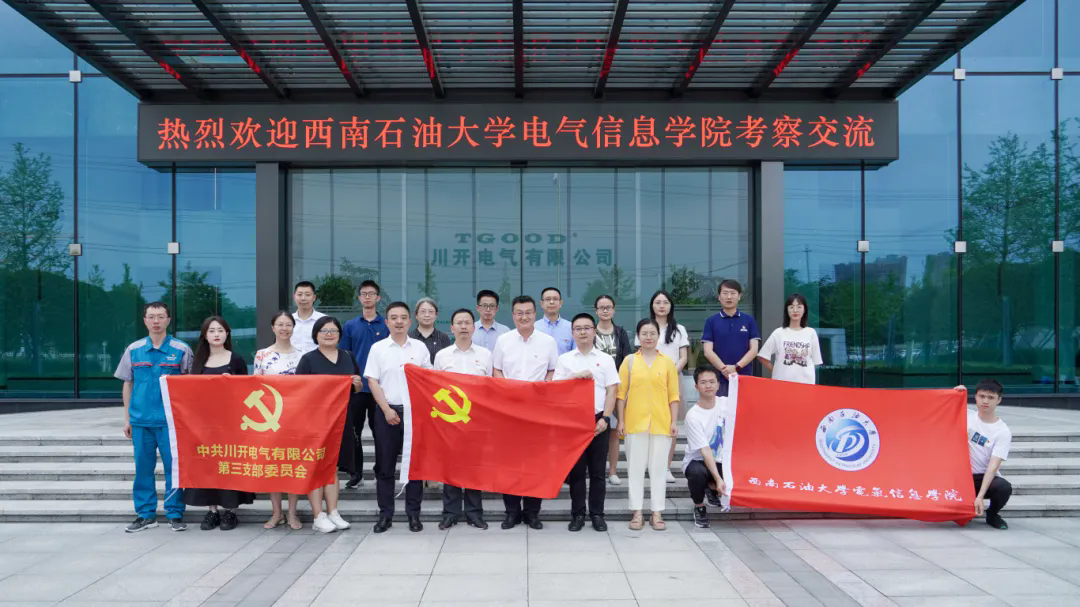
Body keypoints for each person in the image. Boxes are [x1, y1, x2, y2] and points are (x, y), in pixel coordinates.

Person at [114, 302, 192, 533]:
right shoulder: (134, 349)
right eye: (151, 316)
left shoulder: (181, 349)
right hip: (141, 421)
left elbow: (190, 385)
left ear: (169, 320)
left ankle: (174, 514)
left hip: (171, 422)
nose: (156, 321)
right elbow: (128, 384)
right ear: (145, 320)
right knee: (143, 469)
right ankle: (146, 514)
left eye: (160, 316)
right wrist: (127, 418)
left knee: (173, 469)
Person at [365, 301, 433, 533]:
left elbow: (428, 379)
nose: (399, 322)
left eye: (403, 317)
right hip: (387, 412)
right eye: (394, 318)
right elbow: (372, 381)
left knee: (414, 466)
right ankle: (386, 515)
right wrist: (386, 409)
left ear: (410, 321)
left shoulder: (420, 348)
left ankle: (413, 514)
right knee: (385, 466)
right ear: (386, 322)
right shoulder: (378, 348)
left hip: (415, 413)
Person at [492, 295, 558, 529]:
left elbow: (552, 371)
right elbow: (496, 370)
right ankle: (512, 512)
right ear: (513, 316)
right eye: (519, 313)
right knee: (508, 463)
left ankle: (532, 513)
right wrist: (509, 391)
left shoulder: (548, 342)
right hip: (509, 412)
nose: (524, 317)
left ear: (534, 314)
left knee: (535, 464)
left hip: (537, 412)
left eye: (528, 312)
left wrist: (541, 390)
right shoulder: (503, 341)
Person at [184, 316, 255, 530]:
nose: (216, 334)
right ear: (205, 335)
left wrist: (232, 384)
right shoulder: (198, 361)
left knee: (229, 465)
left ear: (227, 334)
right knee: (209, 466)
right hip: (204, 425)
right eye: (212, 331)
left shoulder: (236, 359)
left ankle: (230, 511)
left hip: (231, 423)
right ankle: (212, 511)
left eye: (220, 330)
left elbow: (248, 393)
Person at [296, 316, 362, 534]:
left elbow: (356, 388)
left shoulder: (348, 356)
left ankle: (333, 511)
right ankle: (318, 515)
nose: (329, 334)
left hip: (341, 421)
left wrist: (357, 384)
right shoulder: (308, 359)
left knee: (332, 467)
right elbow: (299, 391)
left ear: (339, 335)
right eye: (324, 331)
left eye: (333, 330)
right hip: (315, 422)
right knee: (316, 467)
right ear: (316, 334)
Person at [553, 313, 619, 532]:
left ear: (594, 331)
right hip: (573, 423)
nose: (583, 332)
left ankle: (597, 514)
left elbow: (612, 390)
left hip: (599, 419)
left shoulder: (605, 359)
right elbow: (556, 388)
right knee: (577, 472)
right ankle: (578, 514)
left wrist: (606, 418)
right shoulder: (565, 360)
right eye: (578, 328)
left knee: (598, 472)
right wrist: (575, 376)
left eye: (587, 328)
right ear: (572, 333)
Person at [617, 318, 679, 531]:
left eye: (652, 333)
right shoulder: (629, 362)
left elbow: (673, 395)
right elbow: (620, 395)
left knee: (658, 469)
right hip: (635, 422)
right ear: (638, 336)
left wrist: (674, 421)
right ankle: (637, 512)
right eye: (644, 333)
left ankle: (656, 512)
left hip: (661, 423)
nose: (649, 337)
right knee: (635, 469)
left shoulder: (667, 362)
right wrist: (621, 420)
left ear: (658, 336)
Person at [433, 308, 493, 531]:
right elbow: (435, 388)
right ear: (452, 328)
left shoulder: (485, 355)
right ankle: (450, 513)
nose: (464, 326)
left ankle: (474, 513)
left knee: (474, 467)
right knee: (451, 466)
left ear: (474, 327)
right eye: (459, 323)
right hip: (450, 420)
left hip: (477, 420)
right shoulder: (442, 356)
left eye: (467, 322)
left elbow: (491, 388)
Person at [254, 311, 305, 530]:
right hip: (270, 418)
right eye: (280, 324)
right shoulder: (262, 355)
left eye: (288, 325)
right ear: (273, 328)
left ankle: (292, 513)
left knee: (292, 464)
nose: (284, 328)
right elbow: (255, 386)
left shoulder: (303, 355)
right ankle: (276, 513)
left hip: (295, 416)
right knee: (272, 465)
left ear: (293, 328)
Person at [636, 290, 689, 483]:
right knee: (647, 422)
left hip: (673, 378)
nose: (661, 306)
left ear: (671, 306)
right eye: (657, 302)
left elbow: (683, 357)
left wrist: (670, 373)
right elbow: (640, 354)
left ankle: (665, 467)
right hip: (647, 381)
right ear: (652, 305)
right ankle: (648, 465)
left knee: (670, 424)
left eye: (665, 302)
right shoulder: (645, 327)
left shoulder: (679, 329)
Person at [341, 280, 389, 488]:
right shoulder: (350, 326)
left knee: (381, 432)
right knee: (355, 431)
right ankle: (356, 472)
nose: (367, 297)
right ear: (359, 298)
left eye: (371, 293)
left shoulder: (386, 324)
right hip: (358, 388)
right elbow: (345, 356)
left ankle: (381, 470)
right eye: (364, 293)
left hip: (381, 388)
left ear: (378, 298)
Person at [955, 379, 1013, 530]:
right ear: (975, 397)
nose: (985, 401)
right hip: (959, 478)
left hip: (982, 478)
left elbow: (993, 467)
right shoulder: (966, 416)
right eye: (982, 396)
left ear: (999, 400)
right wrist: (954, 393)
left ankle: (992, 514)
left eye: (991, 397)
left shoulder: (1002, 431)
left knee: (1003, 487)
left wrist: (980, 496)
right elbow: (942, 407)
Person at [682, 366, 728, 528]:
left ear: (718, 385)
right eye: (703, 382)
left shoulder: (726, 404)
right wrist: (718, 478)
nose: (708, 385)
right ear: (696, 387)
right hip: (699, 460)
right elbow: (705, 450)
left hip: (723, 459)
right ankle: (699, 506)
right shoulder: (693, 416)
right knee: (697, 473)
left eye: (712, 382)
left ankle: (712, 488)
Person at [595, 295, 633, 487]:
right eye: (601, 307)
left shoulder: (620, 332)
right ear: (596, 311)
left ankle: (612, 471)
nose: (605, 310)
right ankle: (594, 469)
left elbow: (627, 359)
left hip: (616, 387)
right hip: (594, 389)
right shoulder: (590, 331)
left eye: (608, 307)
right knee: (595, 429)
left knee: (614, 431)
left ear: (614, 310)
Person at [702, 279, 760, 397]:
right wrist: (725, 370)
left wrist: (736, 367)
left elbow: (754, 349)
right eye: (725, 293)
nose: (729, 297)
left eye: (733, 293)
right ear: (719, 297)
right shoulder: (711, 321)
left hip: (743, 378)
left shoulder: (749, 320)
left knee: (743, 409)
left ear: (739, 296)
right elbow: (707, 351)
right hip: (718, 380)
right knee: (719, 409)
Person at [757, 293, 823, 384]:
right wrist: (776, 371)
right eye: (791, 307)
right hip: (782, 384)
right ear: (787, 310)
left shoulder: (811, 333)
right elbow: (762, 356)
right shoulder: (779, 333)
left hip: (806, 385)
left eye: (799, 307)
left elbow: (815, 361)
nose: (795, 310)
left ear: (804, 309)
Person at [409, 297, 453, 364]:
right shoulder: (409, 337)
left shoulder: (443, 338)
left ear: (436, 315)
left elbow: (447, 361)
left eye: (431, 312)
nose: (427, 315)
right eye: (423, 311)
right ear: (416, 315)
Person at [290, 281, 325, 354]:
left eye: (307, 295)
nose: (303, 298)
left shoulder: (324, 320)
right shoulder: (288, 320)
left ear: (314, 297)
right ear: (294, 297)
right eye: (299, 294)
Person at [536, 286, 574, 355]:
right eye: (548, 299)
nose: (551, 302)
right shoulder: (534, 328)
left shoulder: (571, 327)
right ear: (541, 303)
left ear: (561, 303)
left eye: (555, 299)